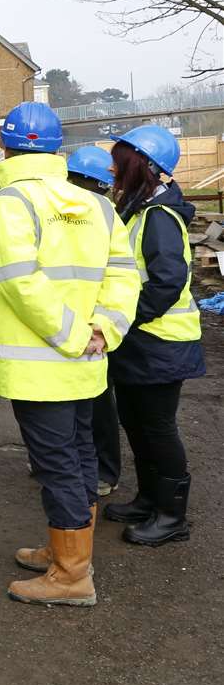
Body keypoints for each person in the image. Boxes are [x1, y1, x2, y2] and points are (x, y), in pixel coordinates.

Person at [0, 103, 138, 607]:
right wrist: (102, 332)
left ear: (6, 147)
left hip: (39, 367)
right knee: (80, 456)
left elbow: (21, 283)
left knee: (57, 466)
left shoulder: (8, 204)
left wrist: (73, 337)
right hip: (87, 363)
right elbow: (124, 275)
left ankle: (72, 576)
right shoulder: (98, 206)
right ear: (55, 149)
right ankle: (65, 549)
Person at [101, 126, 203, 547]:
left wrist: (123, 317)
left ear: (143, 164)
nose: (113, 167)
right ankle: (148, 498)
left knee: (157, 427)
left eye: (121, 159)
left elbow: (166, 282)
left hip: (162, 342)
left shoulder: (159, 217)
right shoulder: (140, 211)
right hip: (140, 343)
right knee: (136, 423)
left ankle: (172, 515)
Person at [63, 145, 123, 499]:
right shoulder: (68, 212)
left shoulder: (106, 216)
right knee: (71, 400)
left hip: (97, 322)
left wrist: (103, 324)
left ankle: (105, 470)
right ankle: (75, 462)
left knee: (99, 403)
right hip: (74, 320)